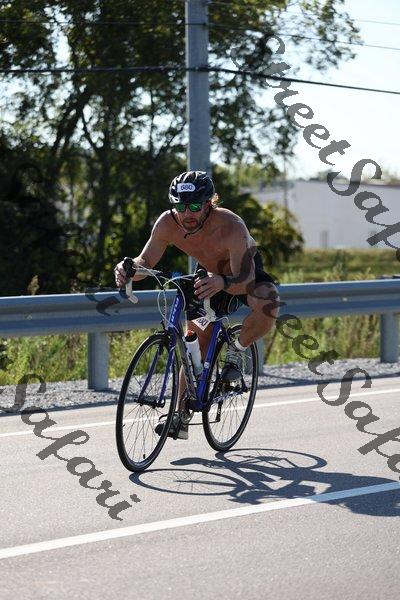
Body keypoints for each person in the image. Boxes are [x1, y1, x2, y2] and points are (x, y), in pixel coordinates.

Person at [114, 170, 280, 439]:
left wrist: (223, 281)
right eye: (180, 206)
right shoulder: (167, 223)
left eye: (194, 207)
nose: (186, 214)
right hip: (207, 277)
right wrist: (129, 269)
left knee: (269, 305)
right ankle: (179, 416)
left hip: (241, 275)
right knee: (195, 343)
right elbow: (146, 262)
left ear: (209, 204)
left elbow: (246, 279)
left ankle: (237, 349)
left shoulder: (231, 226)